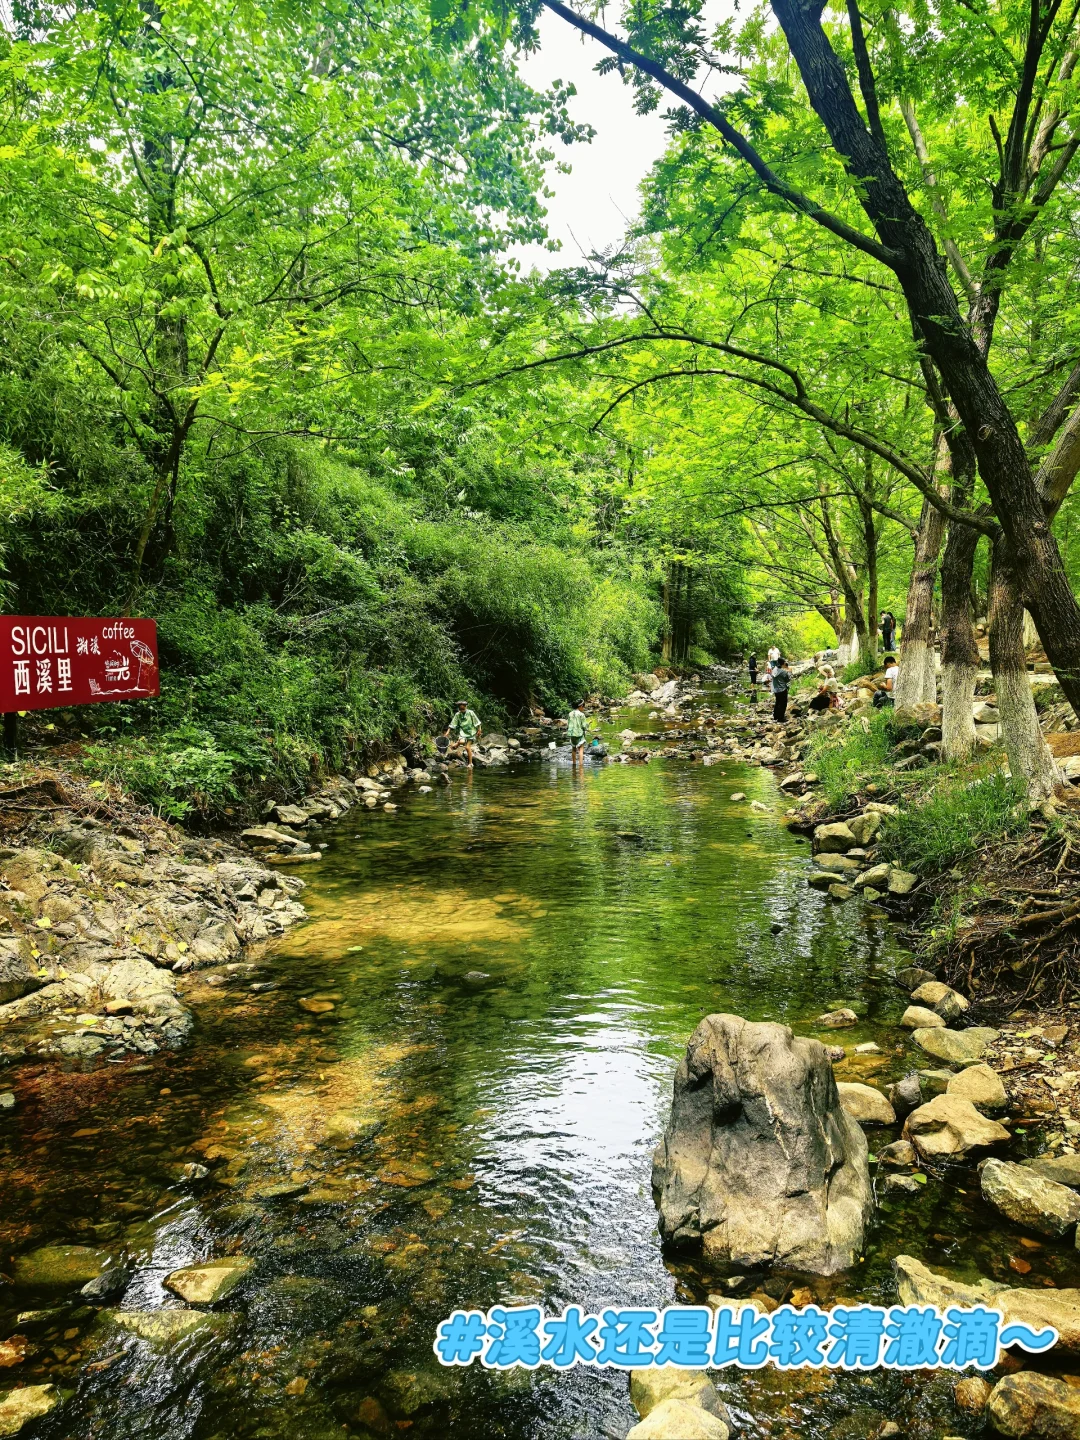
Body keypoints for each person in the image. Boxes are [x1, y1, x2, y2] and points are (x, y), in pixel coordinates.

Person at [445, 700, 482, 767]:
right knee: (461, 742)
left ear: (465, 707)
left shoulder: (471, 713)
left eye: (463, 709)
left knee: (467, 747)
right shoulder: (457, 714)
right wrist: (447, 732)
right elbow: (452, 724)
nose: (462, 710)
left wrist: (479, 730)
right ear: (459, 708)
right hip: (463, 732)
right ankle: (457, 743)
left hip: (471, 732)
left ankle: (470, 763)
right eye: (460, 709)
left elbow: (477, 721)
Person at [567, 700, 589, 768]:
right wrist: (588, 725)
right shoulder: (581, 714)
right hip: (579, 734)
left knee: (573, 749)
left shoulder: (570, 714)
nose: (583, 708)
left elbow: (568, 724)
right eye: (583, 706)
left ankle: (574, 764)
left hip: (572, 734)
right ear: (581, 706)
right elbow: (584, 726)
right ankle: (580, 765)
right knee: (581, 749)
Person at [771, 655, 791, 721]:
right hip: (782, 689)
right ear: (783, 663)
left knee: (777, 702)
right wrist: (789, 671)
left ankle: (775, 716)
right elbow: (788, 679)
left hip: (775, 689)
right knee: (783, 704)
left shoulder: (774, 670)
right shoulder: (783, 672)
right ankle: (781, 718)